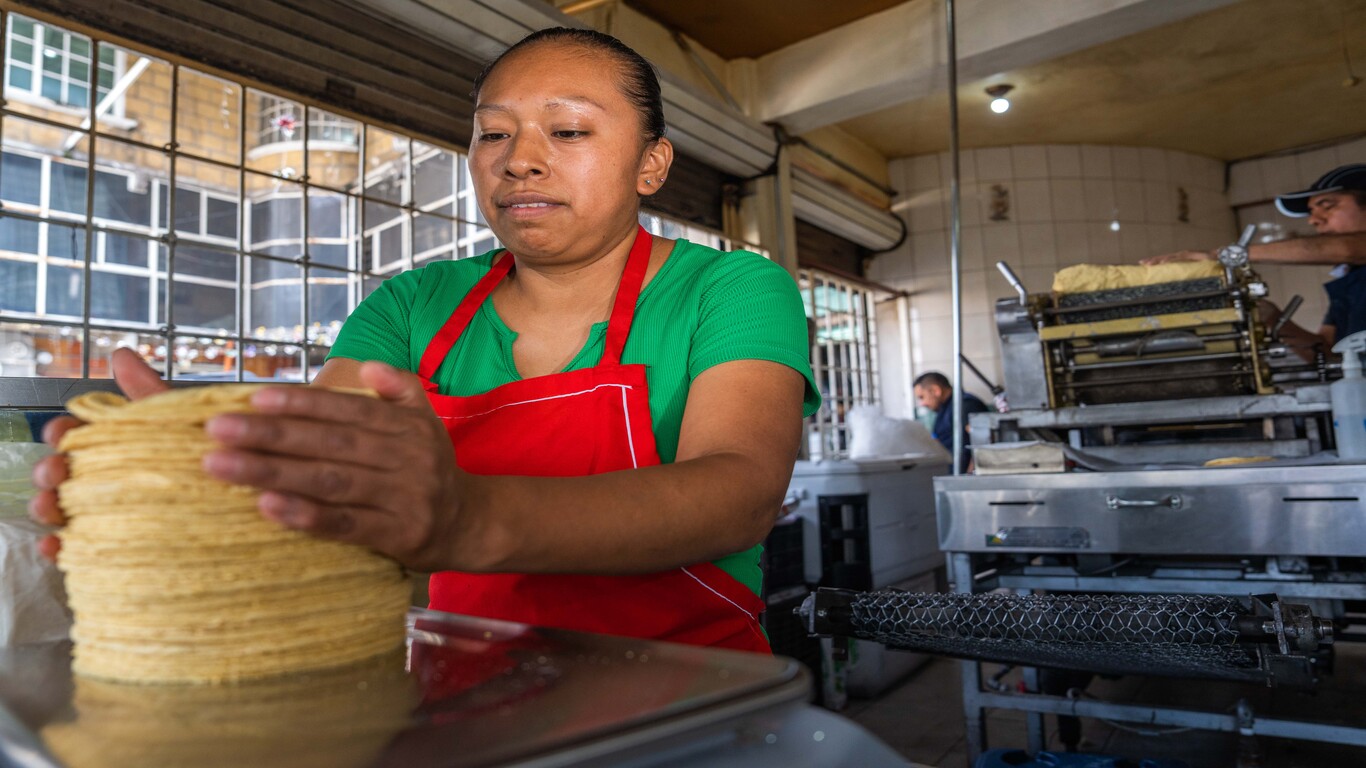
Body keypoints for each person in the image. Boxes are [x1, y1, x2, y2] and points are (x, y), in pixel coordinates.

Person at [29, 28, 820, 654]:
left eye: (569, 129)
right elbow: (330, 462)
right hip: (468, 692)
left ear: (651, 165)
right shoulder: (414, 306)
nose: (520, 161)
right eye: (492, 135)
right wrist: (201, 479)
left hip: (692, 693)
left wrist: (471, 519)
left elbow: (740, 492)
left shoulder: (731, 290)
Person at [1143, 163, 1366, 361]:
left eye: (1328, 206)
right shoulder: (1351, 280)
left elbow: (1346, 248)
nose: (1314, 220)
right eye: (1312, 211)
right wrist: (1273, 318)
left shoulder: (1351, 253)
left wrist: (1221, 255)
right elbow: (1327, 354)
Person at [912, 371, 987, 470]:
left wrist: (970, 475)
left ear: (936, 390)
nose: (922, 404)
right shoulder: (944, 409)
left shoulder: (965, 405)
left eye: (922, 397)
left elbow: (980, 446)